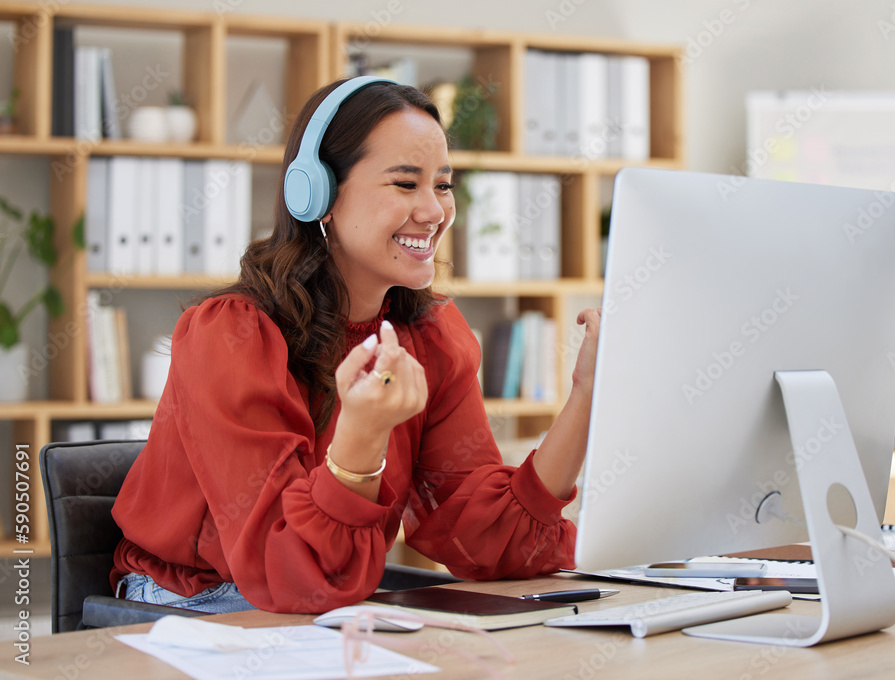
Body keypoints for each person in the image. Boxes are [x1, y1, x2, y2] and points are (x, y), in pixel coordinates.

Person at [110, 77, 601, 614]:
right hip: (200, 602)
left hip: (332, 597)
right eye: (405, 183)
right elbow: (293, 573)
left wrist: (587, 393)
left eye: (443, 185)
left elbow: (488, 540)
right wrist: (363, 435)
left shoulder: (430, 335)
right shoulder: (231, 336)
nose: (434, 211)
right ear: (317, 195)